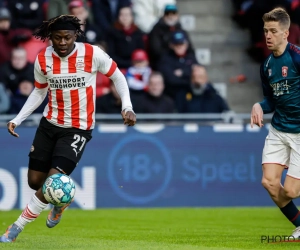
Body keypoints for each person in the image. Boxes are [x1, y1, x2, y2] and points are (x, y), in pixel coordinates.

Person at [0, 14, 136, 243]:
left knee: (53, 181)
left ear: (76, 35)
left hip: (78, 129)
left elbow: (118, 77)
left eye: (67, 37)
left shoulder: (92, 54)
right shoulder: (43, 59)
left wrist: (127, 106)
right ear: (50, 38)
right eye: (57, 38)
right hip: (49, 124)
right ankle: (61, 201)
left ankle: (16, 227)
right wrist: (18, 118)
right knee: (35, 181)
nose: (62, 43)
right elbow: (40, 91)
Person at [250, 7, 300, 238]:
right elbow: (271, 99)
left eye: (272, 31)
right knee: (269, 183)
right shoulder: (267, 66)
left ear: (285, 33)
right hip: (279, 130)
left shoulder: (297, 57)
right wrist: (259, 105)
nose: (268, 35)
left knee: (290, 190)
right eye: (265, 31)